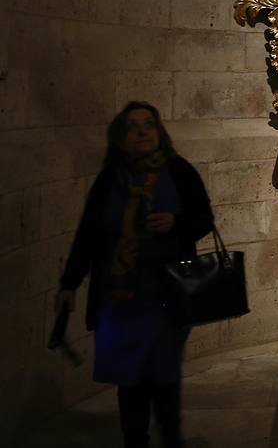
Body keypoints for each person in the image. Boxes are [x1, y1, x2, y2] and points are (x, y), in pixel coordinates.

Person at [56, 102, 214, 448]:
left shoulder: (179, 171)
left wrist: (176, 223)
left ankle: (170, 438)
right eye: (133, 126)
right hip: (121, 295)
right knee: (130, 382)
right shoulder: (111, 179)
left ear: (159, 132)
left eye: (148, 125)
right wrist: (69, 283)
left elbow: (204, 219)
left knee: (164, 378)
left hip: (166, 293)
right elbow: (89, 235)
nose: (142, 132)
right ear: (121, 137)